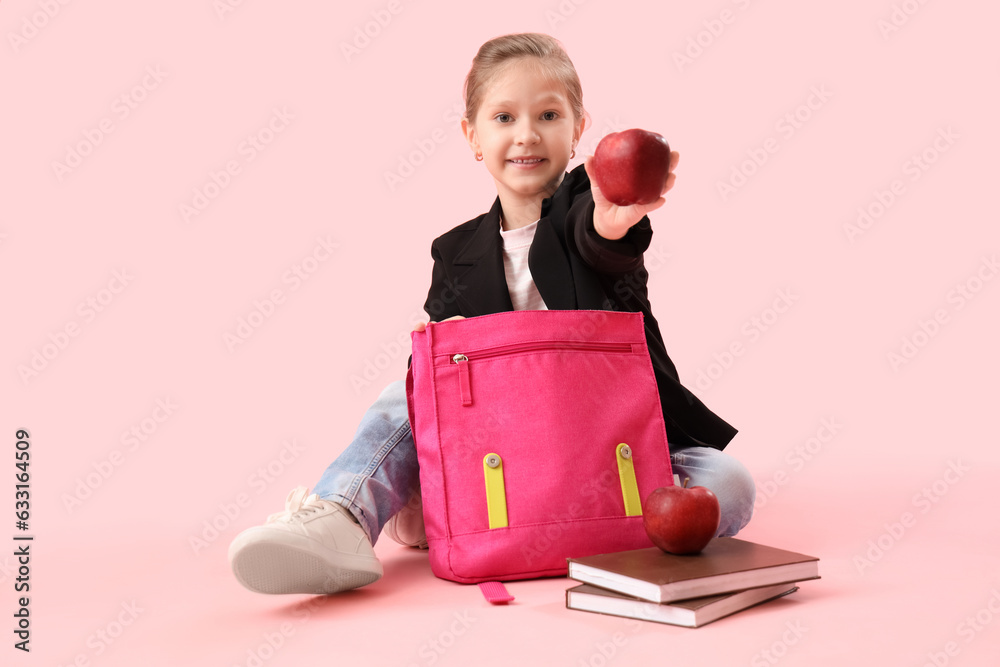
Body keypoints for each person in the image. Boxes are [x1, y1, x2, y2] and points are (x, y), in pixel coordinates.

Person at [228, 32, 756, 596]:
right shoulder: (454, 252)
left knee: (731, 481)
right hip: (509, 449)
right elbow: (447, 388)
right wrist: (437, 347)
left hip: (621, 434)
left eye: (548, 114)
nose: (526, 134)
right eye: (504, 117)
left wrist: (615, 214)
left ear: (579, 128)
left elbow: (601, 240)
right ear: (473, 136)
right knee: (406, 388)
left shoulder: (588, 205)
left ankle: (472, 509)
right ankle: (341, 515)